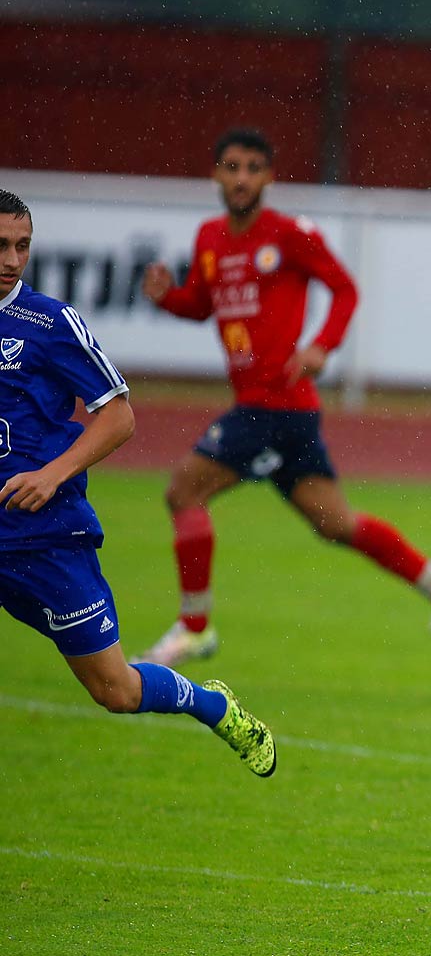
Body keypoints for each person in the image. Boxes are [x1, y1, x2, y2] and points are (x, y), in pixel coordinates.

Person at [135, 127, 431, 669]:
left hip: (273, 406)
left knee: (184, 492)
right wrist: (168, 299)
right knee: (336, 524)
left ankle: (195, 627)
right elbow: (203, 305)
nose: (242, 178)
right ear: (216, 174)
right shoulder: (208, 239)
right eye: (232, 167)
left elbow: (345, 288)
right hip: (280, 412)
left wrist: (323, 346)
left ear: (270, 176)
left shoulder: (290, 234)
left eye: (253, 167)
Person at [0, 189, 275, 777]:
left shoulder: (47, 323)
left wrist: (52, 474)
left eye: (22, 246)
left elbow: (119, 414)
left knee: (115, 691)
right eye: (1, 246)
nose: (12, 260)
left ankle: (211, 704)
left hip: (43, 538)